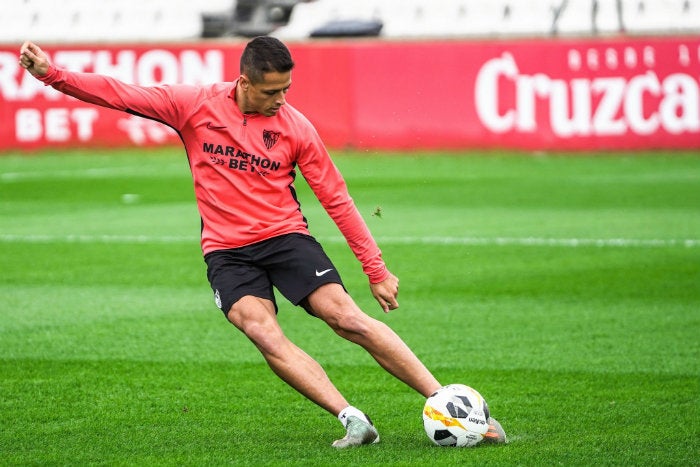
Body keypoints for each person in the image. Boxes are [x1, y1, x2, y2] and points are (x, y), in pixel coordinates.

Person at [19, 37, 504, 448]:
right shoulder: (193, 105)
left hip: (286, 238)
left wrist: (375, 270)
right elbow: (120, 93)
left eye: (287, 89)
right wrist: (52, 74)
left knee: (347, 318)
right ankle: (351, 419)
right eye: (272, 91)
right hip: (227, 252)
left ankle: (454, 408)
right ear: (244, 82)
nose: (281, 99)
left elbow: (336, 199)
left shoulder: (296, 128)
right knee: (261, 329)